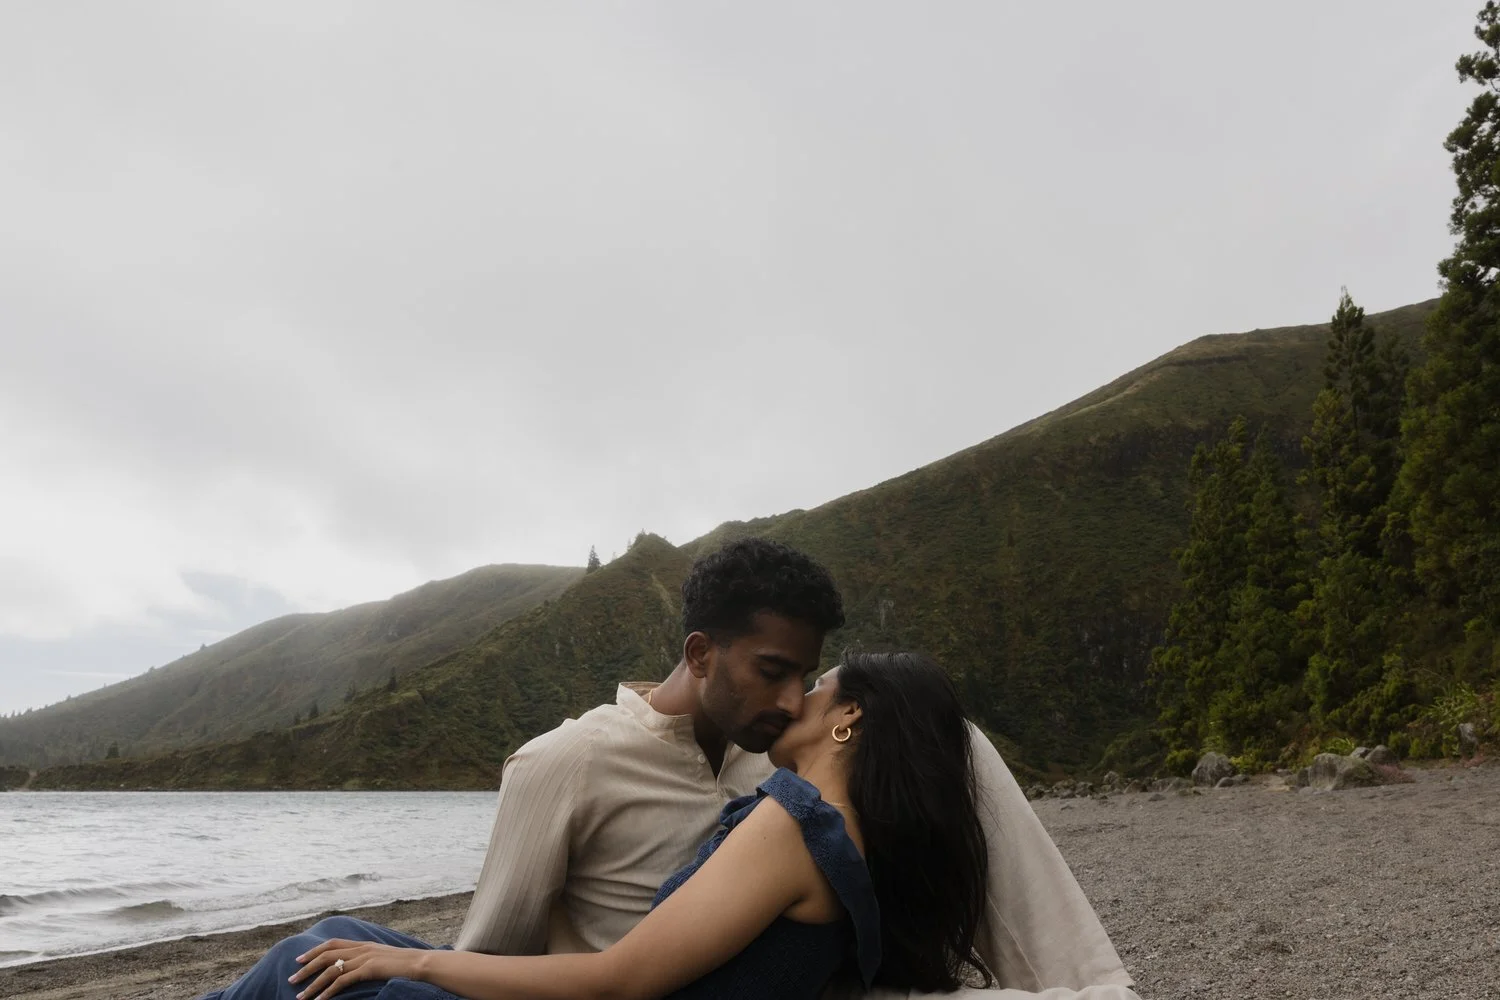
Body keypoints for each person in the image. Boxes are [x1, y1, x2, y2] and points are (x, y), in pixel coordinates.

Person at [199, 539, 1140, 999]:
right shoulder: (567, 765)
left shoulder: (794, 815)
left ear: (849, 720)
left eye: (811, 682)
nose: (789, 700)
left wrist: (407, 960)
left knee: (302, 964)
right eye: (776, 674)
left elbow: (622, 980)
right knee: (333, 935)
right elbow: (496, 943)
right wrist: (407, 957)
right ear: (700, 655)